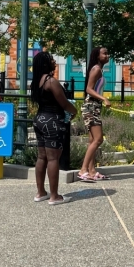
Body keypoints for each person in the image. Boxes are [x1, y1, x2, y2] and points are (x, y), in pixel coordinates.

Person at [31, 51, 76, 204]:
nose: (54, 61)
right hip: (53, 121)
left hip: (39, 119)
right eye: (51, 59)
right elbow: (64, 103)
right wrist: (74, 111)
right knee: (53, 158)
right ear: (45, 64)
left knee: (41, 157)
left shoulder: (36, 81)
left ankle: (40, 193)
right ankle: (54, 196)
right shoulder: (51, 81)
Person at [78, 46, 111, 181]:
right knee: (98, 139)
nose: (107, 55)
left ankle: (92, 171)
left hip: (94, 106)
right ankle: (83, 170)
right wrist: (104, 98)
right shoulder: (96, 69)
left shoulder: (98, 69)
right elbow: (89, 89)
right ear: (97, 56)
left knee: (92, 140)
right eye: (104, 53)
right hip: (91, 106)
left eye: (107, 53)